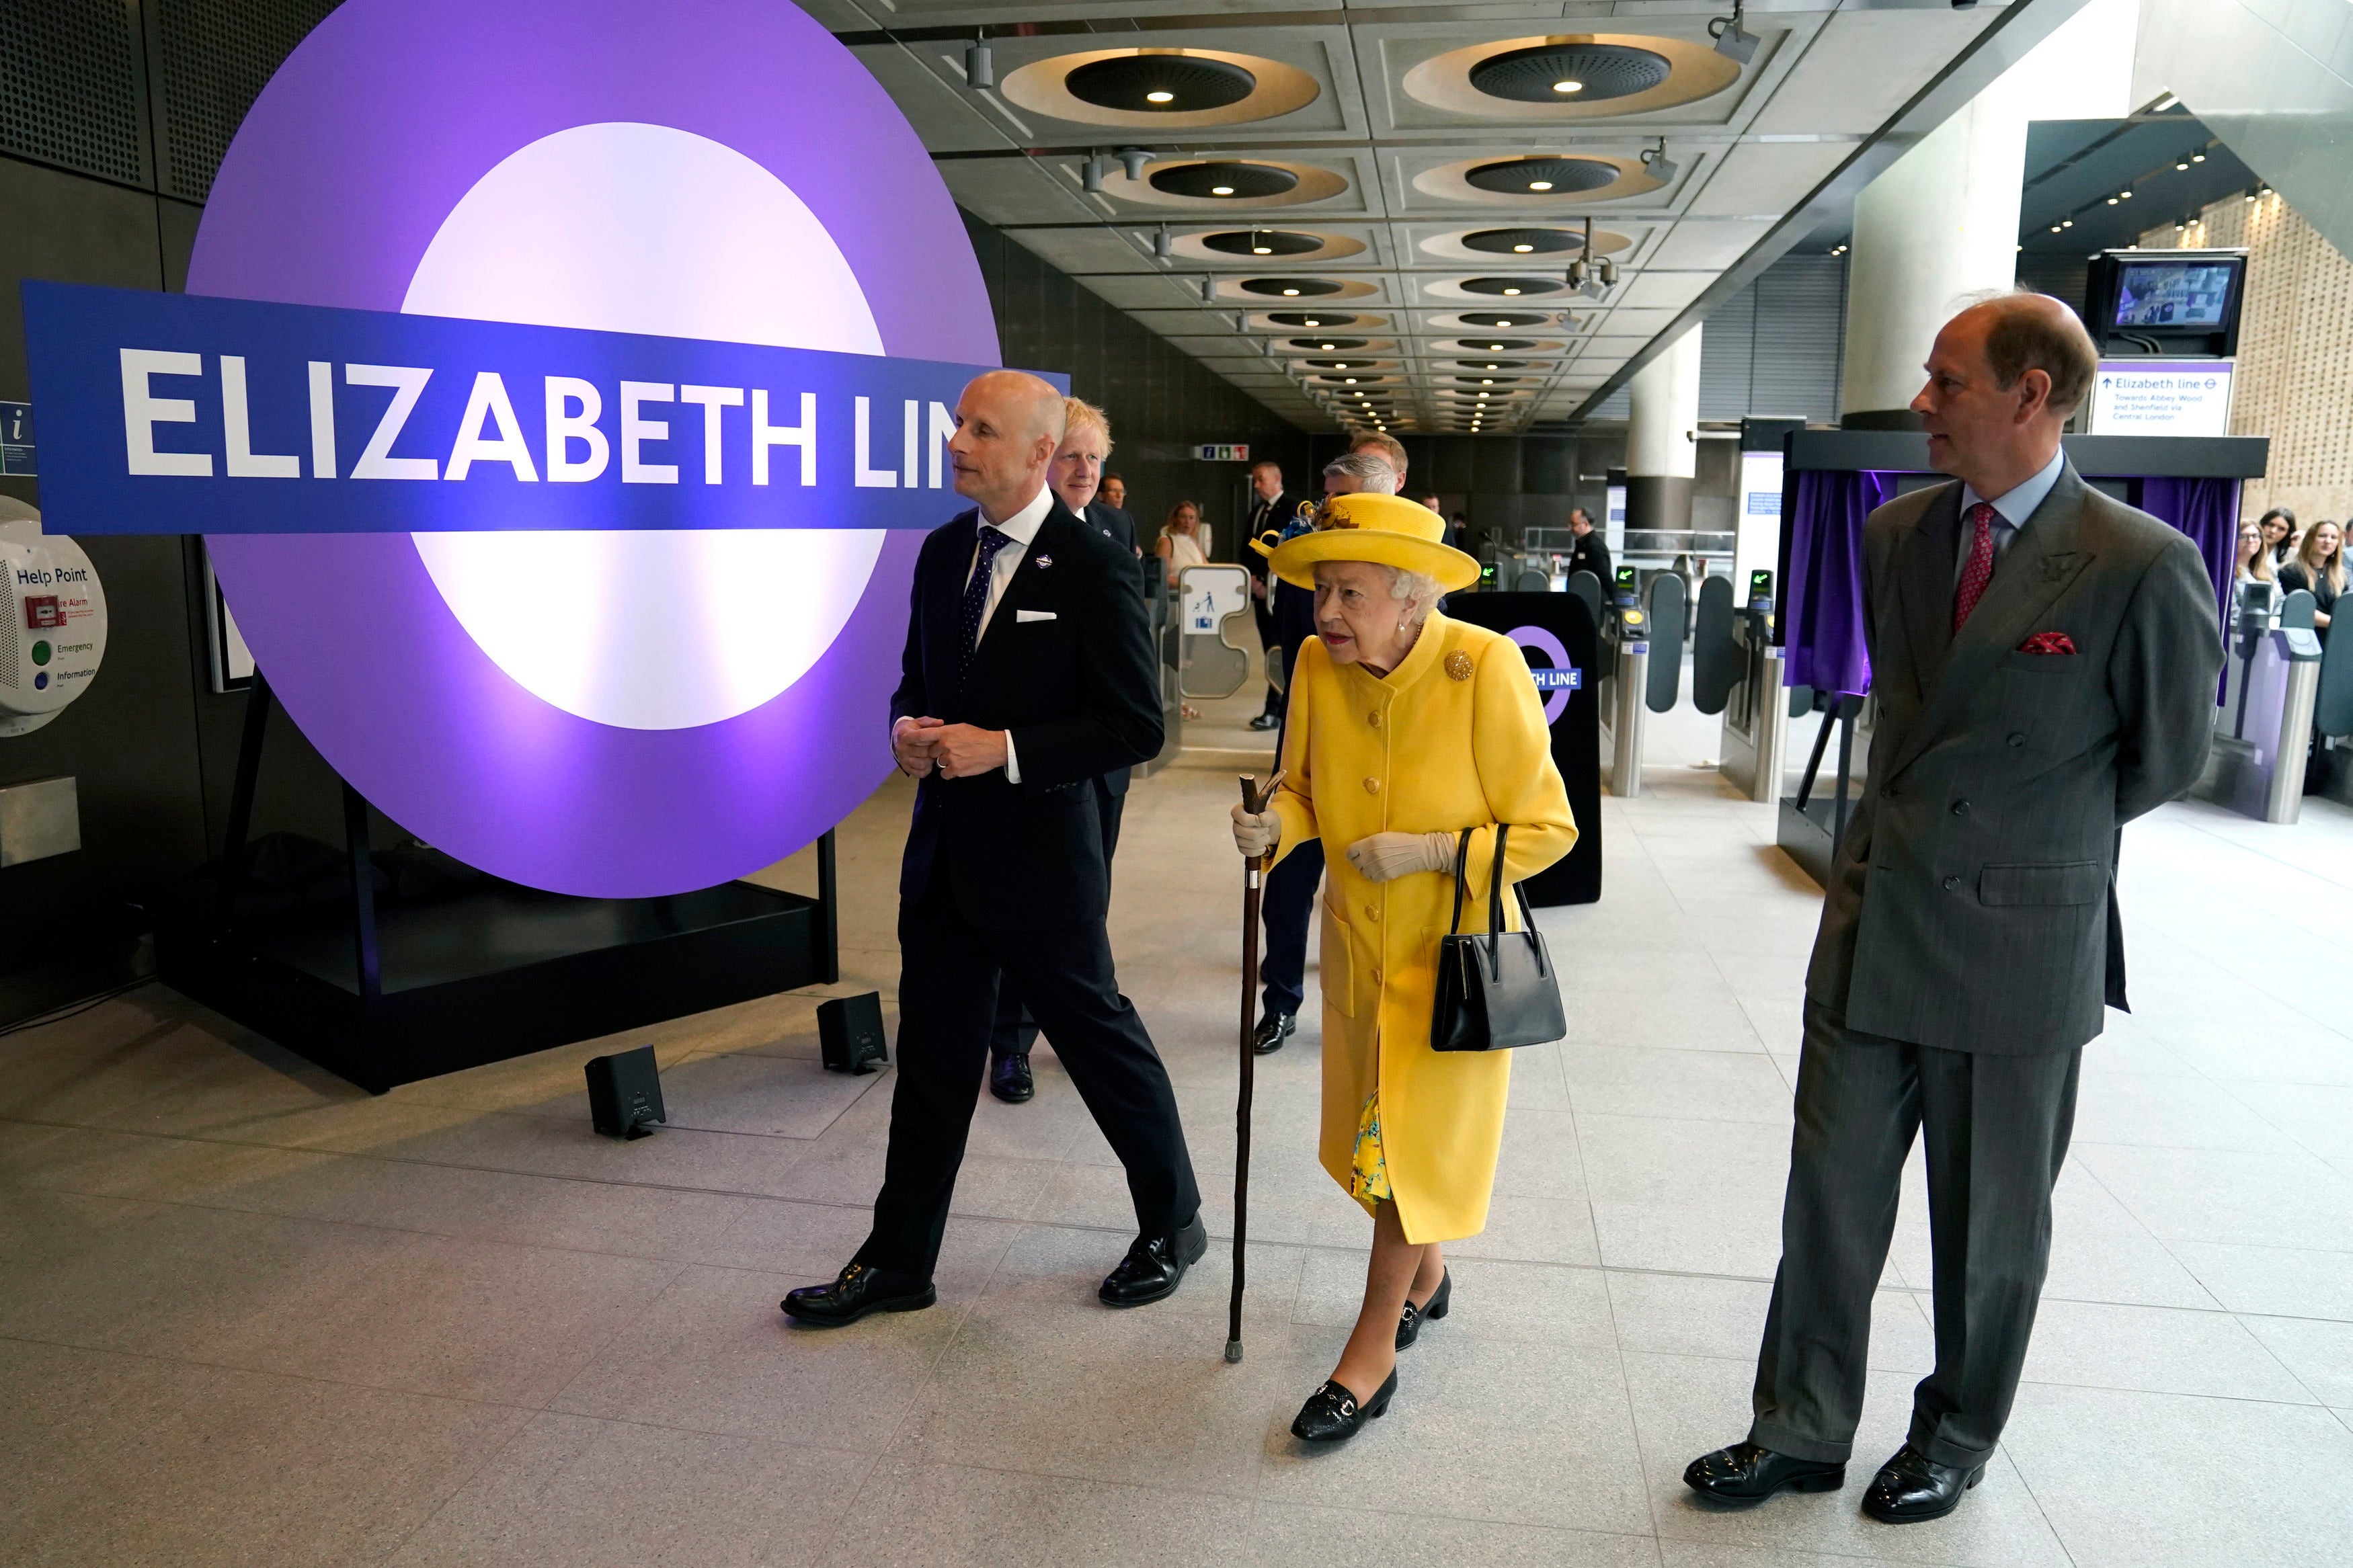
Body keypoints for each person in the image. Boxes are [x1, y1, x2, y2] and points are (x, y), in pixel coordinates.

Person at [1685, 292, 2221, 1524]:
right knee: (1828, 1201)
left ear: (2032, 397)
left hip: (2019, 946)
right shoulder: (1896, 533)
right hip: (1875, 922)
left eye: (1947, 382)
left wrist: (2030, 853)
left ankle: (1958, 1432)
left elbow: (2165, 757)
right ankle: (1800, 1426)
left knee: (1988, 1234)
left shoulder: (2142, 562)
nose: (1922, 403)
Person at [782, 370, 1205, 1328]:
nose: (957, 442)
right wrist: (903, 732)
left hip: (1045, 865)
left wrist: (1006, 750)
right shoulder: (939, 555)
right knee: (931, 1059)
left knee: (1098, 1044)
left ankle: (1173, 1223)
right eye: (958, 425)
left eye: (981, 429)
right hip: (943, 858)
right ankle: (898, 1261)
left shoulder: (1092, 566)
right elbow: (911, 681)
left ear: (1037, 455)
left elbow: (1136, 725)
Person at [1229, 492, 1575, 1442]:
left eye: (1349, 593)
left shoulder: (1483, 667)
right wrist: (1274, 827)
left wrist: (1431, 851)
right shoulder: (1311, 664)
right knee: (1376, 1152)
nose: (1326, 613)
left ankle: (1370, 1348)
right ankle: (1430, 1276)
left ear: (1412, 602)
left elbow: (1550, 831)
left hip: (1451, 969)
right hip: (1356, 951)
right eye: (1320, 591)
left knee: (1406, 1157)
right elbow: (1300, 787)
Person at [987, 396, 1144, 1106]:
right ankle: (1009, 1043)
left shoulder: (1113, 528)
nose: (1083, 470)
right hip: (1032, 767)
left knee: (1085, 909)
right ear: (1041, 460)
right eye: (1069, 456)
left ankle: (1078, 1033)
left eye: (1093, 458)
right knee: (1023, 910)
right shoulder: (1013, 543)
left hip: (1102, 766)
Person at [1250, 448, 1397, 1056]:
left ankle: (1389, 1011)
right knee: (1287, 878)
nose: (1326, 515)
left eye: (1344, 503)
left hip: (1392, 749)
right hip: (1312, 732)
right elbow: (1291, 642)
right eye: (1326, 500)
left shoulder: (1411, 575)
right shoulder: (1306, 558)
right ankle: (1280, 1001)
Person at [1246, 461, 1303, 731]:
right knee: (1269, 649)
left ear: (1277, 479)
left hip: (1280, 591)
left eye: (1261, 479)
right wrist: (1253, 579)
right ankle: (1275, 708)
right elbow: (1248, 548)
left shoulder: (1294, 508)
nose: (1256, 485)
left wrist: (1267, 579)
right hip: (1259, 592)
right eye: (1255, 480)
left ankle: (1277, 709)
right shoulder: (1257, 511)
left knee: (1280, 649)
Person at [2277, 518, 2344, 636]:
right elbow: (2301, 611)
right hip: (2301, 638)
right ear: (2310, 539)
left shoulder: (2341, 577)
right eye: (2322, 536)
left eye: (2334, 538)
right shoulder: (2291, 572)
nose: (2328, 541)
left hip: (2334, 641)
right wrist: (2340, 623)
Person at [1157, 499, 1209, 588]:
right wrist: (1188, 584)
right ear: (1175, 519)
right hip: (1177, 596)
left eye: (1191, 518)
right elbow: (1162, 576)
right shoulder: (1167, 541)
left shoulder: (1194, 543)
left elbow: (1208, 569)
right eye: (1183, 517)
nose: (1187, 522)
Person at [1566, 507, 1611, 587]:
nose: (1571, 528)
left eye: (1574, 524)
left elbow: (1605, 576)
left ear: (1586, 524)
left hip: (1591, 597)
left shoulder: (1594, 545)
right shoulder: (1583, 543)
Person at [2258, 505, 2297, 571]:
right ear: (2263, 524)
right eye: (2271, 525)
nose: (2273, 531)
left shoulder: (2289, 556)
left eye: (2281, 529)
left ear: (2287, 534)